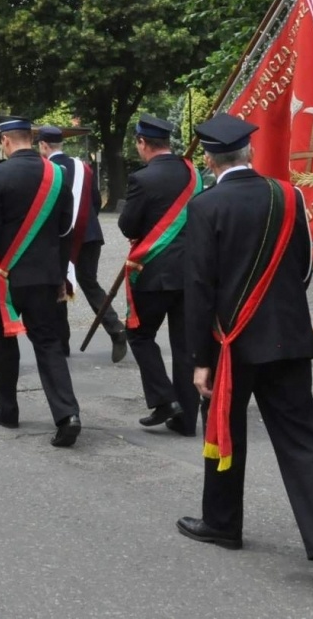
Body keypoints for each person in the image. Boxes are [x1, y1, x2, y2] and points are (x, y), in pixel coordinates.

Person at [177, 114, 313, 595]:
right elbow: (304, 269)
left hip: (231, 344)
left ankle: (223, 523)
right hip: (288, 339)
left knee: (225, 432)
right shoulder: (289, 196)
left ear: (210, 160)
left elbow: (200, 288)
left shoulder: (206, 206)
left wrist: (200, 358)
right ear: (249, 153)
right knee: (303, 444)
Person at [0, 117, 80, 446]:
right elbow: (65, 230)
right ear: (31, 139)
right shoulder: (58, 174)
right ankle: (67, 414)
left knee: (4, 342)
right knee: (49, 345)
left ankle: (8, 409)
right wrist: (62, 274)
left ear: (5, 141)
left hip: (6, 276)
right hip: (46, 275)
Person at [117, 114, 202, 436]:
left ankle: (164, 400)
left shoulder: (142, 178)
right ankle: (186, 418)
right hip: (190, 273)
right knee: (184, 345)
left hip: (152, 273)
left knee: (139, 335)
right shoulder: (192, 173)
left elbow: (127, 225)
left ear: (142, 142)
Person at [40, 126, 128, 363]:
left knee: (58, 285)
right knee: (90, 283)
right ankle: (115, 328)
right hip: (89, 234)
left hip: (61, 238)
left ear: (44, 145)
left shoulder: (47, 169)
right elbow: (96, 200)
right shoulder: (82, 167)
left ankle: (62, 343)